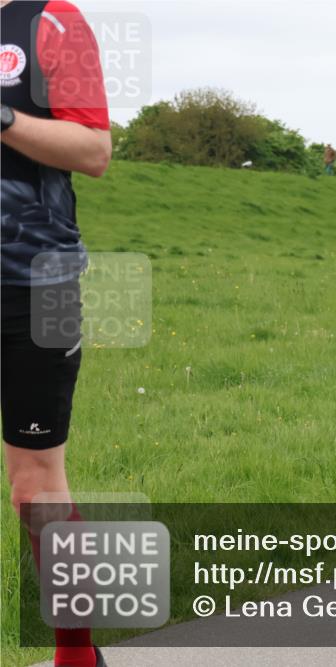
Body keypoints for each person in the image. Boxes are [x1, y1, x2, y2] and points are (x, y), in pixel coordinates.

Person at [1, 1, 111, 665]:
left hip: (34, 282)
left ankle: (77, 656)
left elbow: (94, 151)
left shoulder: (51, 21)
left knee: (35, 487)